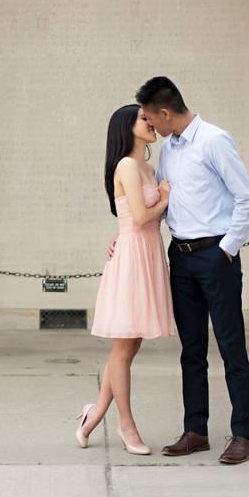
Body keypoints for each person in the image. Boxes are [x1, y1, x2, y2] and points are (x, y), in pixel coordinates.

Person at [133, 75, 249, 465]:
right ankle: (196, 430)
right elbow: (166, 201)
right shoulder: (169, 148)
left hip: (215, 257)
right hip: (181, 258)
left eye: (153, 121)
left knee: (230, 345)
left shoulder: (215, 140)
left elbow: (246, 198)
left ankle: (243, 434)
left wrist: (226, 250)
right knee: (191, 350)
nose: (152, 128)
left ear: (166, 112)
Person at [75, 103, 176, 456]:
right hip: (133, 259)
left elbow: (139, 218)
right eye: (142, 119)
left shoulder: (148, 166)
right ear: (126, 127)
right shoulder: (127, 165)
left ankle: (94, 413)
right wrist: (164, 197)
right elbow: (143, 214)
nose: (150, 123)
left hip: (147, 253)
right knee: (123, 347)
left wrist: (159, 201)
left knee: (130, 346)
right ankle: (126, 424)